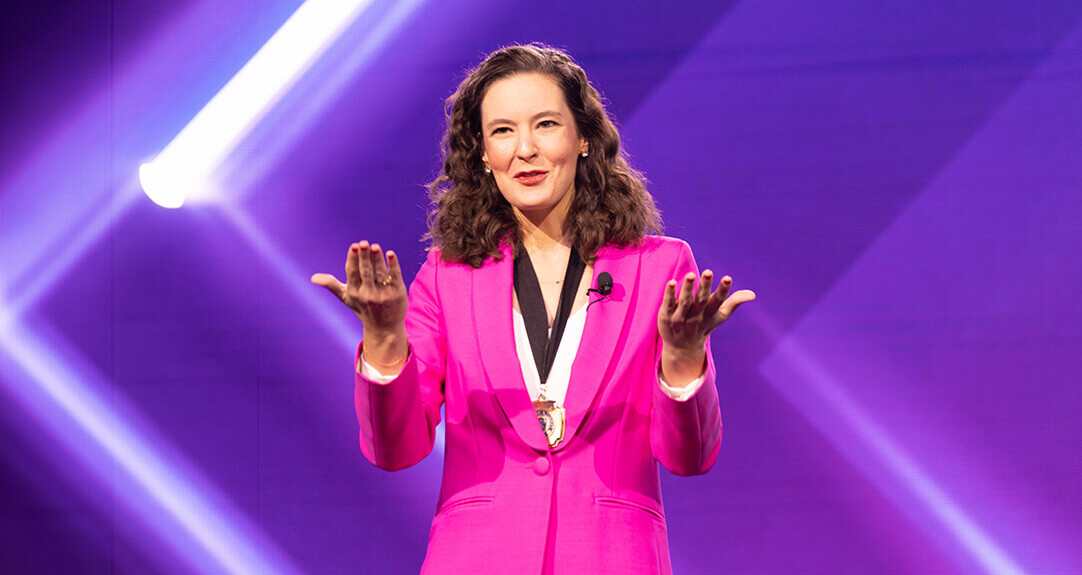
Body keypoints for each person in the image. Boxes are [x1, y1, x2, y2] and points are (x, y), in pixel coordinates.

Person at [312, 44, 755, 575]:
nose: (525, 149)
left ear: (583, 136)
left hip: (613, 557)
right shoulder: (447, 277)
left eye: (545, 124)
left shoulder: (660, 266)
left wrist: (684, 358)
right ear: (481, 153)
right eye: (502, 131)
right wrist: (385, 343)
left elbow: (690, 459)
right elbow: (395, 450)